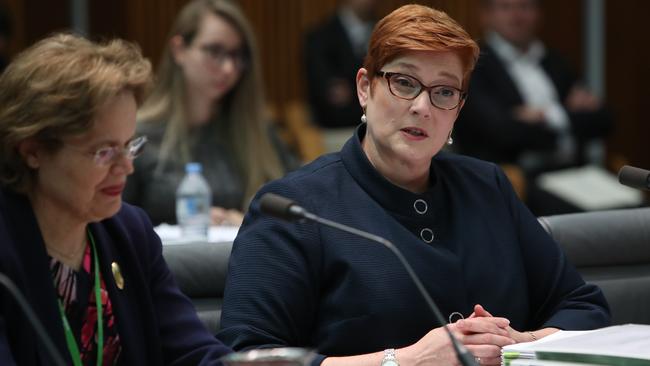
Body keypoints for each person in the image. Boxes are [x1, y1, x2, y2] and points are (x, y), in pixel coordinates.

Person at [217, 4, 610, 366]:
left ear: (458, 109)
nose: (422, 107)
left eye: (444, 92)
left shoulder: (487, 186)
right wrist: (403, 361)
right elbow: (249, 357)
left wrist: (521, 343)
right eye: (404, 83)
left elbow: (583, 306)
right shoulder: (295, 206)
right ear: (364, 89)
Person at [0, 33, 231, 365]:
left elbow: (195, 354)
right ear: (33, 151)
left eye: (129, 146)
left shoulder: (128, 233)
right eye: (104, 151)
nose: (126, 166)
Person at [123, 0, 296, 227]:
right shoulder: (138, 135)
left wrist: (251, 222)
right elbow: (113, 224)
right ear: (179, 50)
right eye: (215, 51)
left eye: (237, 55)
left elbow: (304, 201)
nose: (228, 68)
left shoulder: (257, 132)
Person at [454, 0, 612, 213]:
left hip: (578, 173)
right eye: (505, 8)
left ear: (539, 13)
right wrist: (568, 119)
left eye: (525, 7)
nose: (516, 16)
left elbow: (603, 120)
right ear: (486, 15)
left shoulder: (555, 61)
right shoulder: (473, 66)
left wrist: (547, 116)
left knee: (636, 211)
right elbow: (501, 132)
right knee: (593, 221)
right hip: (518, 180)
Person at [304, 0, 378, 129]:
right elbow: (330, 100)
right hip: (336, 132)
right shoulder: (319, 38)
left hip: (380, 128)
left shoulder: (386, 34)